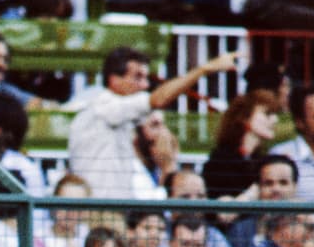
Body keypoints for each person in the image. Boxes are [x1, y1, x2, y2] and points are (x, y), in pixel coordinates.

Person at [68, 46, 239, 200]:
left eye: (146, 78)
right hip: (97, 211)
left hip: (114, 210)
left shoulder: (122, 117)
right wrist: (205, 69)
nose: (145, 85)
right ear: (114, 80)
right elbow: (158, 100)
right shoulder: (104, 105)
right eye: (138, 77)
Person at [201, 90, 280, 199]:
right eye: (267, 114)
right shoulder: (221, 161)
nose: (275, 120)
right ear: (245, 118)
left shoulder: (261, 159)